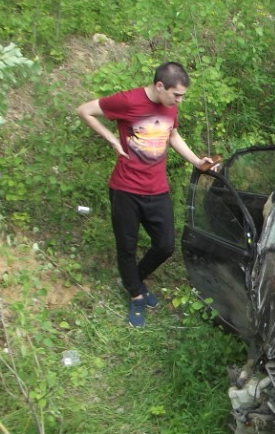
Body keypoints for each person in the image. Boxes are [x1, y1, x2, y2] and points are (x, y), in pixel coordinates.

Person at [76, 61, 215, 328]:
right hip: (125, 189)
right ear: (160, 86)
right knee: (126, 247)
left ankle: (133, 279)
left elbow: (173, 136)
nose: (179, 101)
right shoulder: (128, 101)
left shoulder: (169, 107)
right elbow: (85, 110)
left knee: (165, 245)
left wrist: (197, 161)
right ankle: (136, 294)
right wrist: (112, 139)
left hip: (157, 189)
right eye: (177, 95)